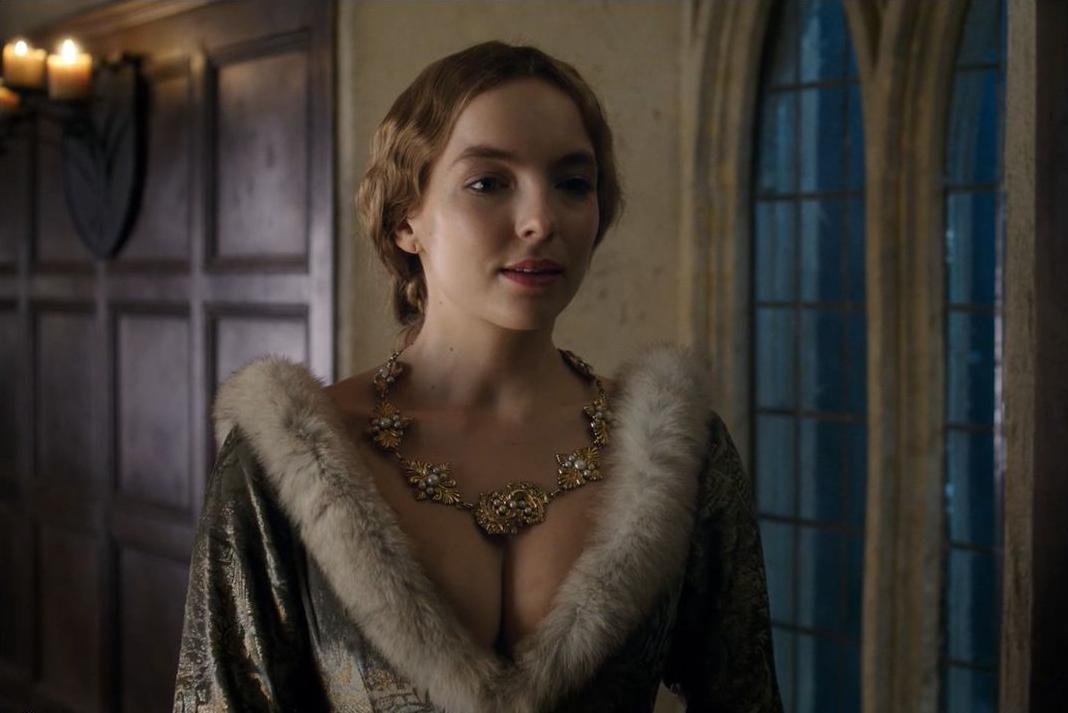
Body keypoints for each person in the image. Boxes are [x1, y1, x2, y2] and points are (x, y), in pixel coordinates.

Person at [172, 41, 783, 713]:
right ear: (406, 219)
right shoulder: (285, 459)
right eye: (489, 183)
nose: (540, 220)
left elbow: (746, 698)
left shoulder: (678, 453)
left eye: (573, 183)